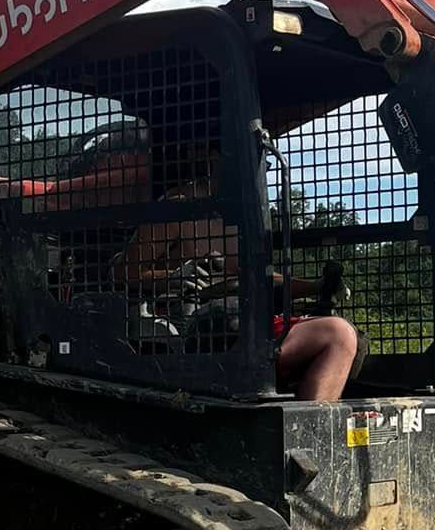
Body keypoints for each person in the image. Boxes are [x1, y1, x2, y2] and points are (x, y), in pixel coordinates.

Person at [112, 147, 360, 399]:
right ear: (214, 159)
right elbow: (124, 273)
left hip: (244, 323)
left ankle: (305, 424)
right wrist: (174, 277)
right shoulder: (179, 207)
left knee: (348, 339)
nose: (257, 172)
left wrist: (317, 287)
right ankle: (309, 431)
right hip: (195, 326)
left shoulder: (243, 218)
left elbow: (258, 280)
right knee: (336, 335)